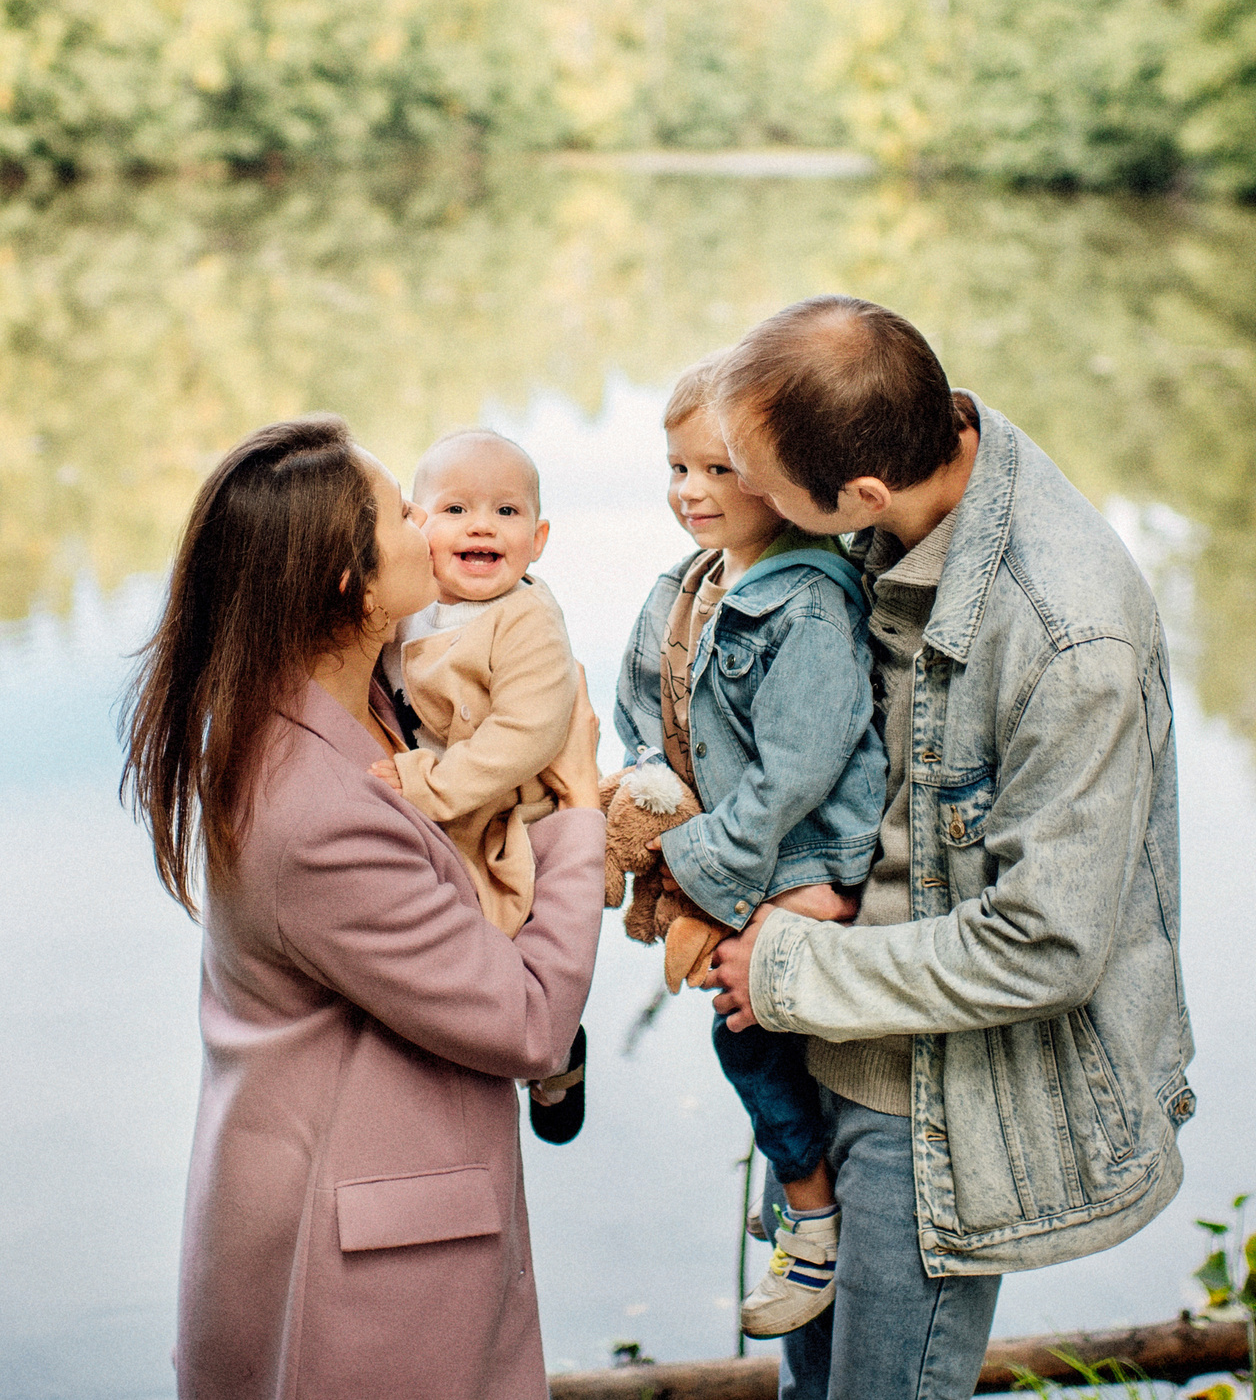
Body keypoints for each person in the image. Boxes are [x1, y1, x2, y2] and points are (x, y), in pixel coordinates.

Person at [702, 298, 1194, 1400]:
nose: (741, 501)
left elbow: (1047, 945)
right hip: (825, 1041)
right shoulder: (895, 478)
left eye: (763, 489)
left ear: (862, 497)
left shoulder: (1070, 638)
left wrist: (788, 968)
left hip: (927, 1099)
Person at [122, 415, 604, 1400]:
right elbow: (521, 1018)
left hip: (324, 1193)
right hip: (363, 1253)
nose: (428, 521)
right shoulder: (315, 814)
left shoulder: (349, 703)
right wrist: (580, 813)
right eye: (400, 510)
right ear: (349, 583)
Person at [610, 358, 884, 1338]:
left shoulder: (811, 601)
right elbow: (642, 698)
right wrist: (646, 783)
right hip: (725, 851)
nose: (691, 490)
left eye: (719, 471)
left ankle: (814, 1222)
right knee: (750, 1031)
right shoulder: (683, 585)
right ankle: (800, 1195)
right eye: (677, 466)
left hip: (801, 859)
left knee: (746, 1033)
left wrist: (692, 861)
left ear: (778, 477)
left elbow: (797, 770)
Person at [367, 427, 592, 1141]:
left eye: (506, 511)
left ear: (539, 536)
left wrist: (425, 786)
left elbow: (521, 736)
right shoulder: (414, 604)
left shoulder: (526, 619)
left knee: (500, 934)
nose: (482, 526)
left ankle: (554, 1051)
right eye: (456, 509)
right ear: (417, 525)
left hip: (512, 811)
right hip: (457, 798)